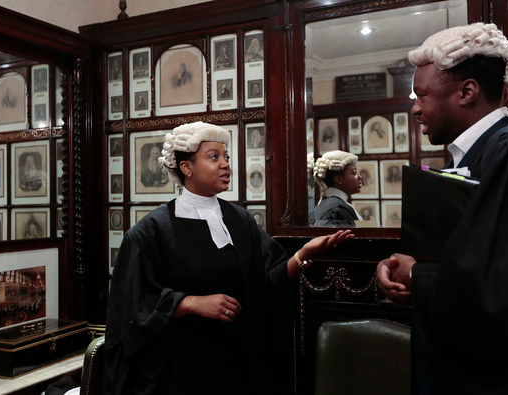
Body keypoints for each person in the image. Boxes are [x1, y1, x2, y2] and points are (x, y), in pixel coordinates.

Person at [104, 121, 352, 394]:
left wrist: (302, 255)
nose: (225, 164)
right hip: (181, 371)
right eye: (214, 157)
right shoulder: (150, 232)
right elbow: (134, 305)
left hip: (236, 365)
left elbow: (268, 282)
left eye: (226, 157)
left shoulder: (239, 219)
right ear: (186, 168)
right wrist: (191, 303)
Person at [376, 23, 508, 394]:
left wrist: (417, 275)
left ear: (467, 91)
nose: (415, 108)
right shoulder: (486, 150)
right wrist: (408, 269)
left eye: (422, 94)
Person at [312, 150, 363, 227]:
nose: (359, 177)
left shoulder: (330, 204)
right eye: (354, 173)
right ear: (339, 179)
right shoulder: (337, 209)